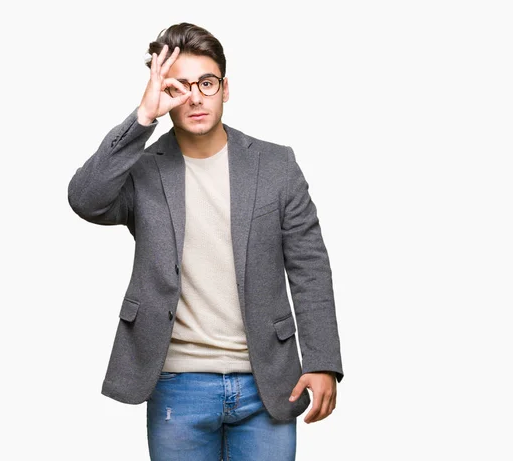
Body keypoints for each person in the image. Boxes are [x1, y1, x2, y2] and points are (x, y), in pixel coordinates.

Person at [67, 22, 343, 461]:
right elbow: (85, 200)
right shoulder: (142, 168)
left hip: (267, 379)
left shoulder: (276, 165)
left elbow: (310, 266)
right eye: (180, 86)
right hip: (178, 381)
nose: (195, 96)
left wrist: (322, 360)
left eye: (207, 83)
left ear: (225, 89)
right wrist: (143, 117)